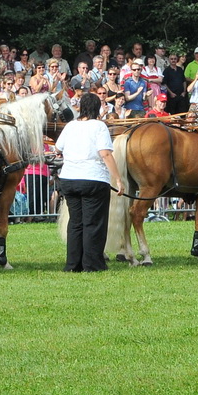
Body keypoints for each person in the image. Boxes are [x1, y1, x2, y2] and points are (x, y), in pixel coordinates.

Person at [55, 92, 121, 272]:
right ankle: (92, 264)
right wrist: (118, 178)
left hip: (69, 178)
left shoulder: (70, 126)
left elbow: (58, 147)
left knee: (76, 223)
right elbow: (105, 154)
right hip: (93, 178)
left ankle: (73, 264)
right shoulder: (99, 126)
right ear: (97, 108)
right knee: (93, 223)